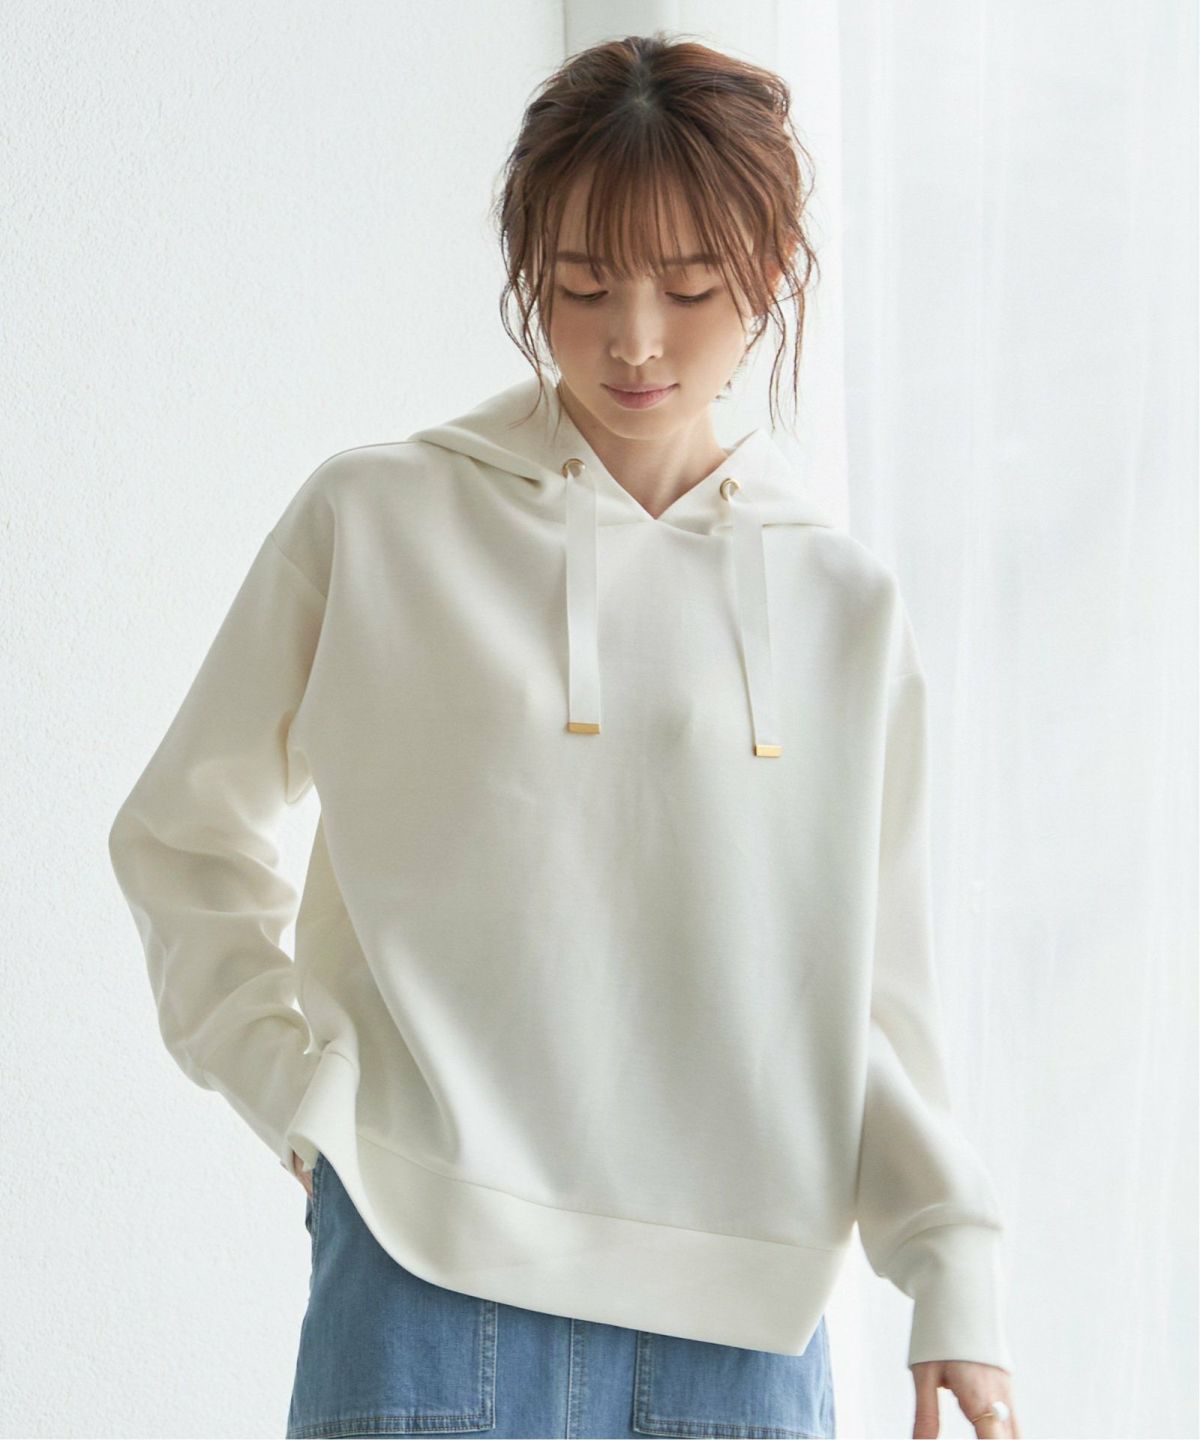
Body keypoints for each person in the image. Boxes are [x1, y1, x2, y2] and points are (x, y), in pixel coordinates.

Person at [108, 31, 1021, 1440]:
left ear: (774, 270)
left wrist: (949, 1265)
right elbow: (181, 836)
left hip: (743, 1319)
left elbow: (874, 986)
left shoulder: (842, 603)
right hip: (423, 1282)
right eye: (582, 285)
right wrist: (298, 1089)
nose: (633, 339)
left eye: (691, 287)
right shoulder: (376, 520)